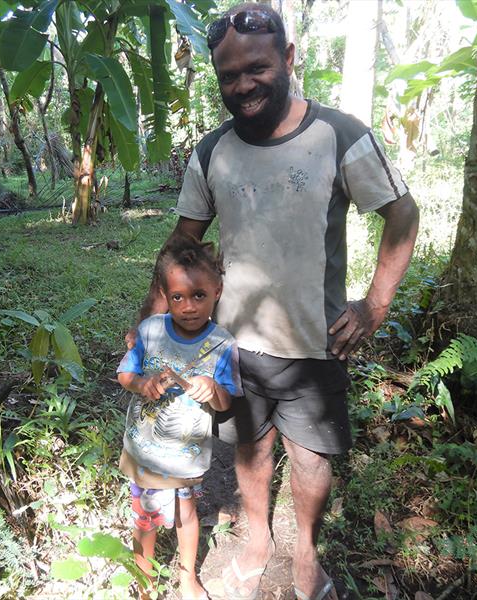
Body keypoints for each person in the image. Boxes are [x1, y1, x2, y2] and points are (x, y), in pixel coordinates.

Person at [127, 3, 420, 600]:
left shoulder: (339, 135)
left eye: (255, 69)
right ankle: (258, 538)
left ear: (288, 58)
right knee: (250, 449)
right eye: (228, 76)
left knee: (311, 457)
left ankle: (306, 551)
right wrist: (149, 324)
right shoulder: (211, 152)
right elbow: (183, 243)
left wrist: (375, 305)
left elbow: (402, 214)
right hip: (232, 344)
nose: (242, 86)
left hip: (315, 343)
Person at [117, 236, 241, 600]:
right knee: (145, 520)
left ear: (217, 291)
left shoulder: (223, 344)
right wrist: (143, 384)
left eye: (199, 295)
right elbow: (125, 375)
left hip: (186, 459)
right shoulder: (150, 330)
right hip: (145, 452)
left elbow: (225, 404)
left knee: (187, 514)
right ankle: (145, 583)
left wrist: (211, 389)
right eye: (178, 297)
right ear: (164, 294)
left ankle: (188, 578)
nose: (188, 307)